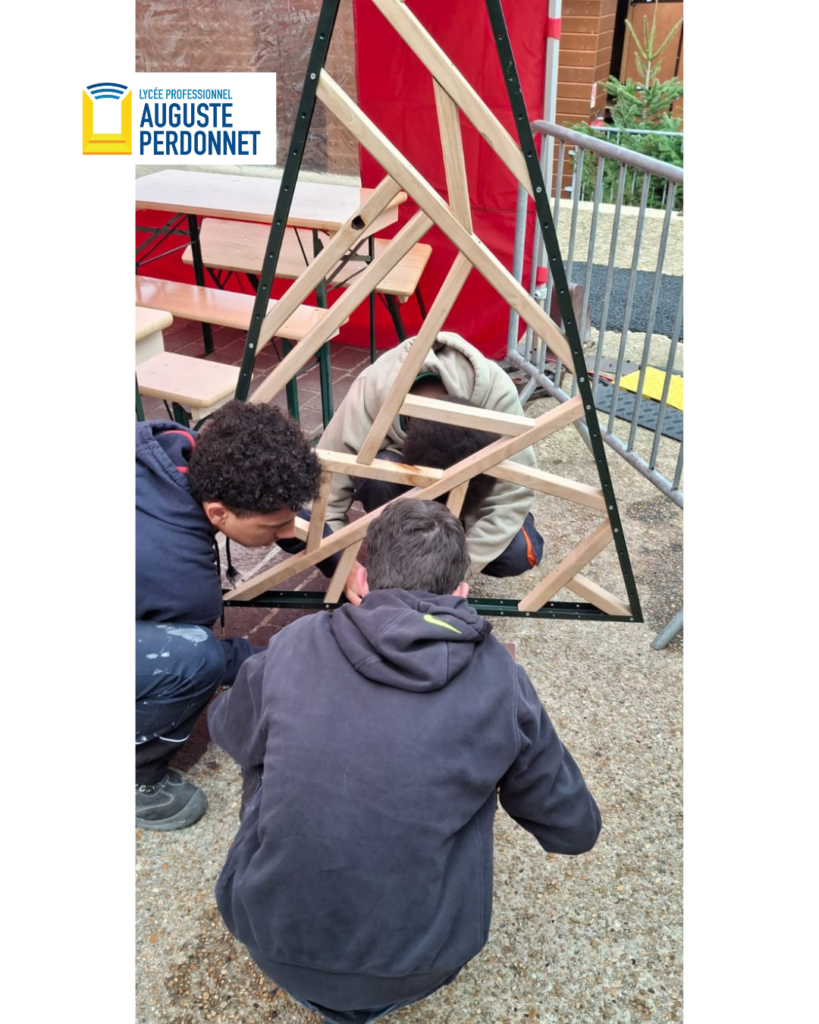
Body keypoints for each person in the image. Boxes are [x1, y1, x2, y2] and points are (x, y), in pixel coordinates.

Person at [208, 499, 602, 1024]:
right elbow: (574, 830)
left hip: (270, 942)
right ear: (461, 593)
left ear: (362, 579)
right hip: (421, 967)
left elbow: (229, 731)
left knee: (263, 745)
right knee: (476, 767)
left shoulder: (293, 643)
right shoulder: (500, 677)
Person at [136, 400, 323, 831]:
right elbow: (212, 658)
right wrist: (287, 658)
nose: (286, 532)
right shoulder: (176, 573)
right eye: (274, 528)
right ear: (218, 513)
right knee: (192, 658)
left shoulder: (181, 450)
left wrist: (336, 557)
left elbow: (277, 503)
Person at [316, 331, 545, 604]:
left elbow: (513, 494)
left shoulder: (495, 395)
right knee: (379, 478)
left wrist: (451, 573)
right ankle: (402, 543)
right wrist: (342, 565)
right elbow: (319, 495)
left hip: (472, 496)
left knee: (518, 552)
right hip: (402, 486)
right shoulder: (370, 393)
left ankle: (434, 554)